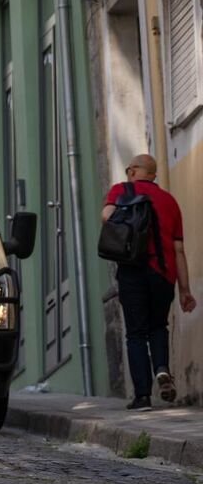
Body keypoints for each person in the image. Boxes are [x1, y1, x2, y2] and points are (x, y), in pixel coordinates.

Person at [101, 154, 195, 410]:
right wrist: (185, 290)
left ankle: (142, 396)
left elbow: (107, 217)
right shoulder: (170, 201)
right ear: (153, 175)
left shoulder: (121, 190)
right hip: (163, 274)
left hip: (133, 271)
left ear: (133, 171)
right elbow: (178, 249)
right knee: (158, 326)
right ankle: (161, 368)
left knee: (135, 333)